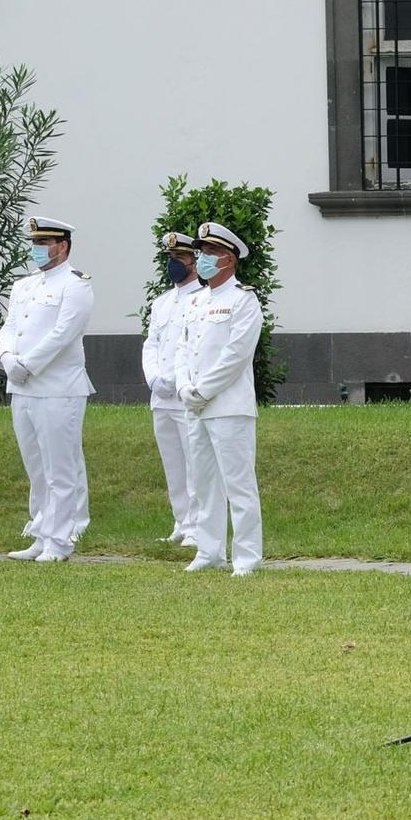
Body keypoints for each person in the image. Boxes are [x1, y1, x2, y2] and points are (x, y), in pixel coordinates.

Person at [0, 216, 94, 563]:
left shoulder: (76, 284)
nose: (37, 249)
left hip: (57, 388)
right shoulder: (24, 286)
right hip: (22, 387)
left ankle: (59, 541)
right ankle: (40, 533)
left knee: (59, 469)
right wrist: (7, 358)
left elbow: (64, 332)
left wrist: (29, 364)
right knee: (36, 468)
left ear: (62, 246)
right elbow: (9, 326)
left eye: (43, 243)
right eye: (35, 243)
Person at [174, 222, 264, 576]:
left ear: (228, 259)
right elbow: (182, 349)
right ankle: (209, 551)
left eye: (210, 253)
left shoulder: (243, 300)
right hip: (195, 406)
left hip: (227, 406)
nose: (203, 259)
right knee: (204, 483)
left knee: (238, 484)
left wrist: (202, 391)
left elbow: (235, 356)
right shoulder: (195, 301)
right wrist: (185, 388)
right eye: (201, 252)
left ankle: (246, 557)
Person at [142, 232, 202, 546]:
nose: (174, 264)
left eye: (180, 258)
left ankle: (197, 526)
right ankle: (180, 521)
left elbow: (195, 349)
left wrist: (176, 382)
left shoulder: (202, 299)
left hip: (184, 396)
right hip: (160, 396)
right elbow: (151, 344)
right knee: (173, 464)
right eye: (170, 258)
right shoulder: (162, 302)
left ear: (194, 260)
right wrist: (153, 377)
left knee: (194, 463)